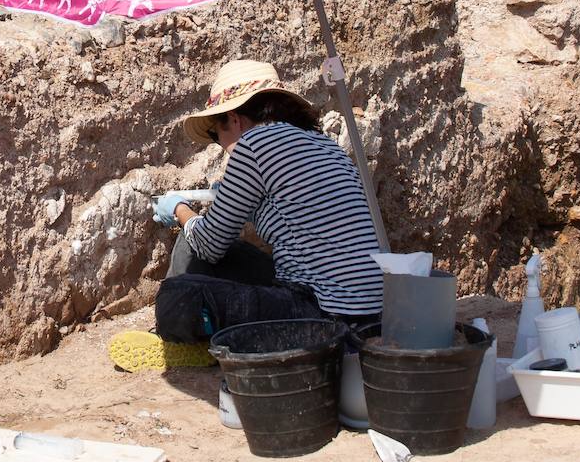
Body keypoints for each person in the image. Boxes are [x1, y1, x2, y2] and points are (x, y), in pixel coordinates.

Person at [107, 60, 384, 372]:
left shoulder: (253, 144)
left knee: (177, 294)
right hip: (373, 318)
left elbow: (209, 244)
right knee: (232, 254)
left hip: (324, 320)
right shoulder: (326, 146)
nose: (221, 146)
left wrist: (179, 209)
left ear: (235, 119)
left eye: (216, 135)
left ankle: (180, 338)